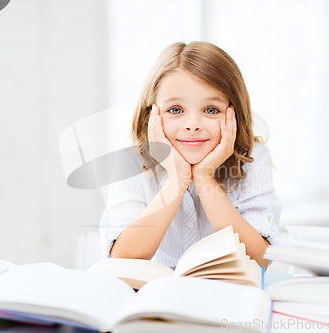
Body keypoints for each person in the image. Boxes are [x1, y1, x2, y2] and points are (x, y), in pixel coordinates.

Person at [100, 41, 281, 268]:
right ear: (151, 115)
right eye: (175, 110)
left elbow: (260, 257)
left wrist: (204, 177)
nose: (193, 124)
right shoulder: (132, 160)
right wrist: (178, 179)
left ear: (234, 113)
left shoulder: (253, 158)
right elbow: (123, 257)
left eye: (211, 110)